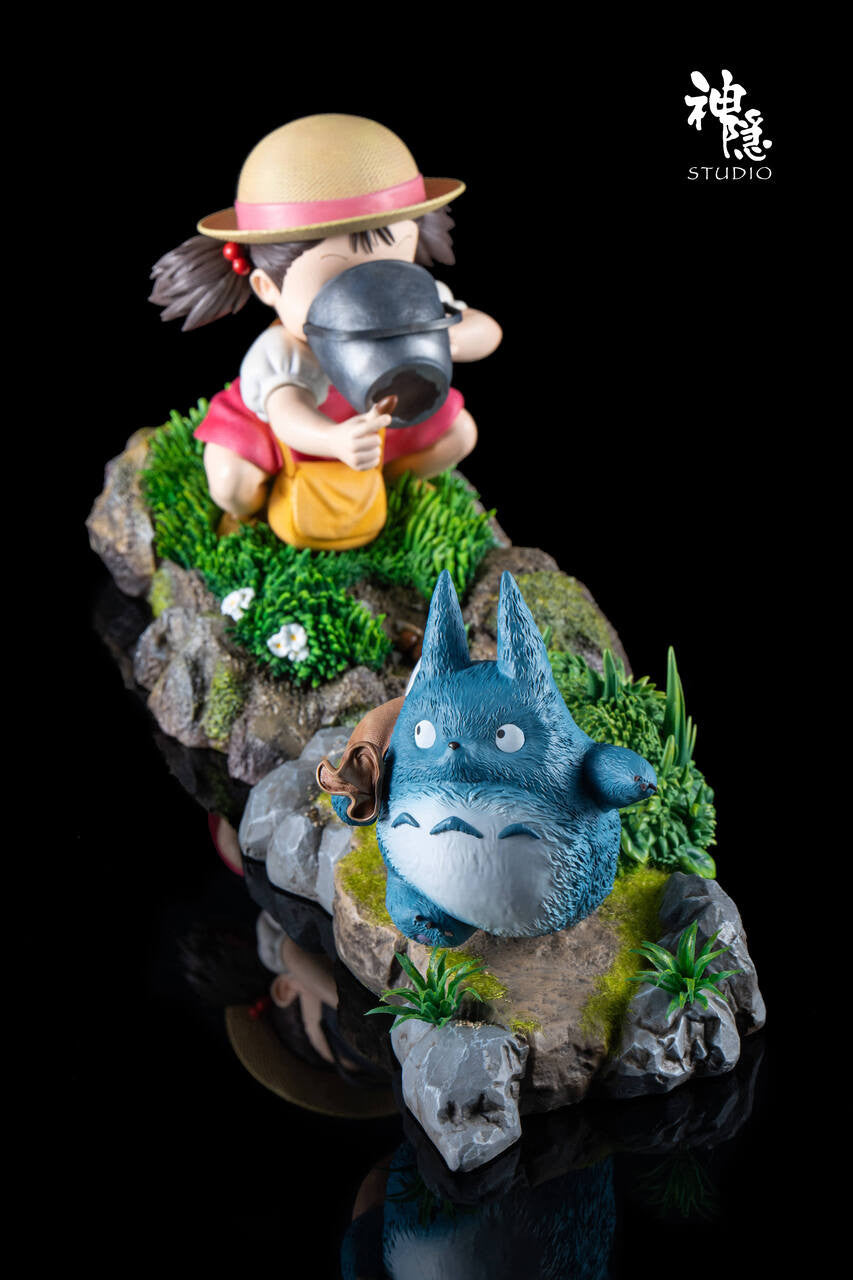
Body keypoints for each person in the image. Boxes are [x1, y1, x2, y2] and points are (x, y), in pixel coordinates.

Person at [150, 113, 501, 548]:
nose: (368, 299)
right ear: (267, 287)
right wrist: (332, 440)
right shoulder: (285, 351)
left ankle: (392, 482)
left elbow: (485, 329)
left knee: (459, 432)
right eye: (337, 282)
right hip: (291, 436)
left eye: (393, 267)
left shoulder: (415, 302)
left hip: (378, 421)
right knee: (230, 479)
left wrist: (448, 337)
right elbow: (287, 413)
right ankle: (249, 511)